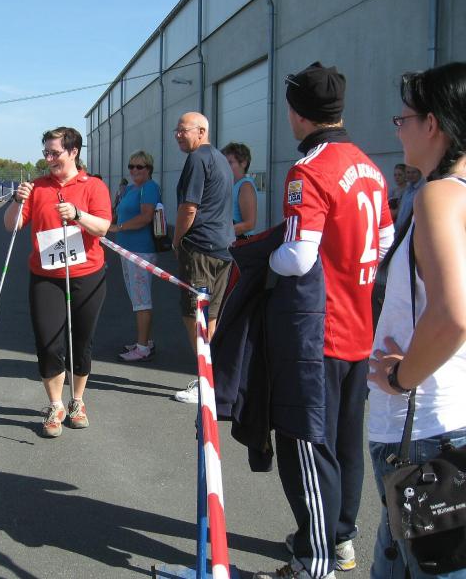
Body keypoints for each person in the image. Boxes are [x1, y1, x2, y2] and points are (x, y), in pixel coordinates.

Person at [255, 62, 394, 579]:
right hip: (361, 327)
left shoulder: (310, 169)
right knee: (346, 442)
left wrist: (262, 260)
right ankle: (340, 539)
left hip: (319, 331)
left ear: (298, 113)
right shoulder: (369, 166)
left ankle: (313, 559)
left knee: (309, 448)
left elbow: (298, 257)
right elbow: (385, 242)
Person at [368, 61, 466, 579]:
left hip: (426, 434)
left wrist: (401, 377)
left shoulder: (440, 195)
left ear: (433, 124)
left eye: (402, 119)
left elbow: (453, 315)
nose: (398, 130)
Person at [4, 126, 111, 438]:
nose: (48, 158)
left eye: (55, 153)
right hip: (46, 276)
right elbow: (12, 226)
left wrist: (77, 214)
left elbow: (103, 227)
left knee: (81, 341)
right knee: (49, 342)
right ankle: (55, 405)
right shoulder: (38, 187)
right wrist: (17, 200)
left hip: (86, 274)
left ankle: (77, 401)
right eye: (46, 153)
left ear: (73, 151)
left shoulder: (93, 186)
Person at [171, 112, 234, 405]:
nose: (178, 135)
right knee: (210, 316)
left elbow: (189, 208)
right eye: (176, 130)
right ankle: (210, 376)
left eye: (183, 130)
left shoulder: (198, 159)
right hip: (222, 248)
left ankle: (205, 381)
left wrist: (176, 239)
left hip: (201, 250)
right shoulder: (220, 159)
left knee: (194, 315)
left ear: (201, 131)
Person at [107, 150, 159, 362]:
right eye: (131, 166)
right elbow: (118, 212)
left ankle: (142, 347)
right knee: (137, 298)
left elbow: (146, 217)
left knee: (141, 300)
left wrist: (118, 228)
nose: (134, 170)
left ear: (149, 169)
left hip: (141, 250)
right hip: (127, 250)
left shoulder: (149, 187)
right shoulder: (130, 188)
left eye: (139, 166)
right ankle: (145, 341)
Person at [221, 142, 258, 239]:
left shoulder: (245, 186)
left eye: (230, 162)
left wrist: (219, 234)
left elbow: (249, 224)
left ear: (243, 163)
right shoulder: (230, 185)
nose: (225, 166)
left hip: (240, 241)